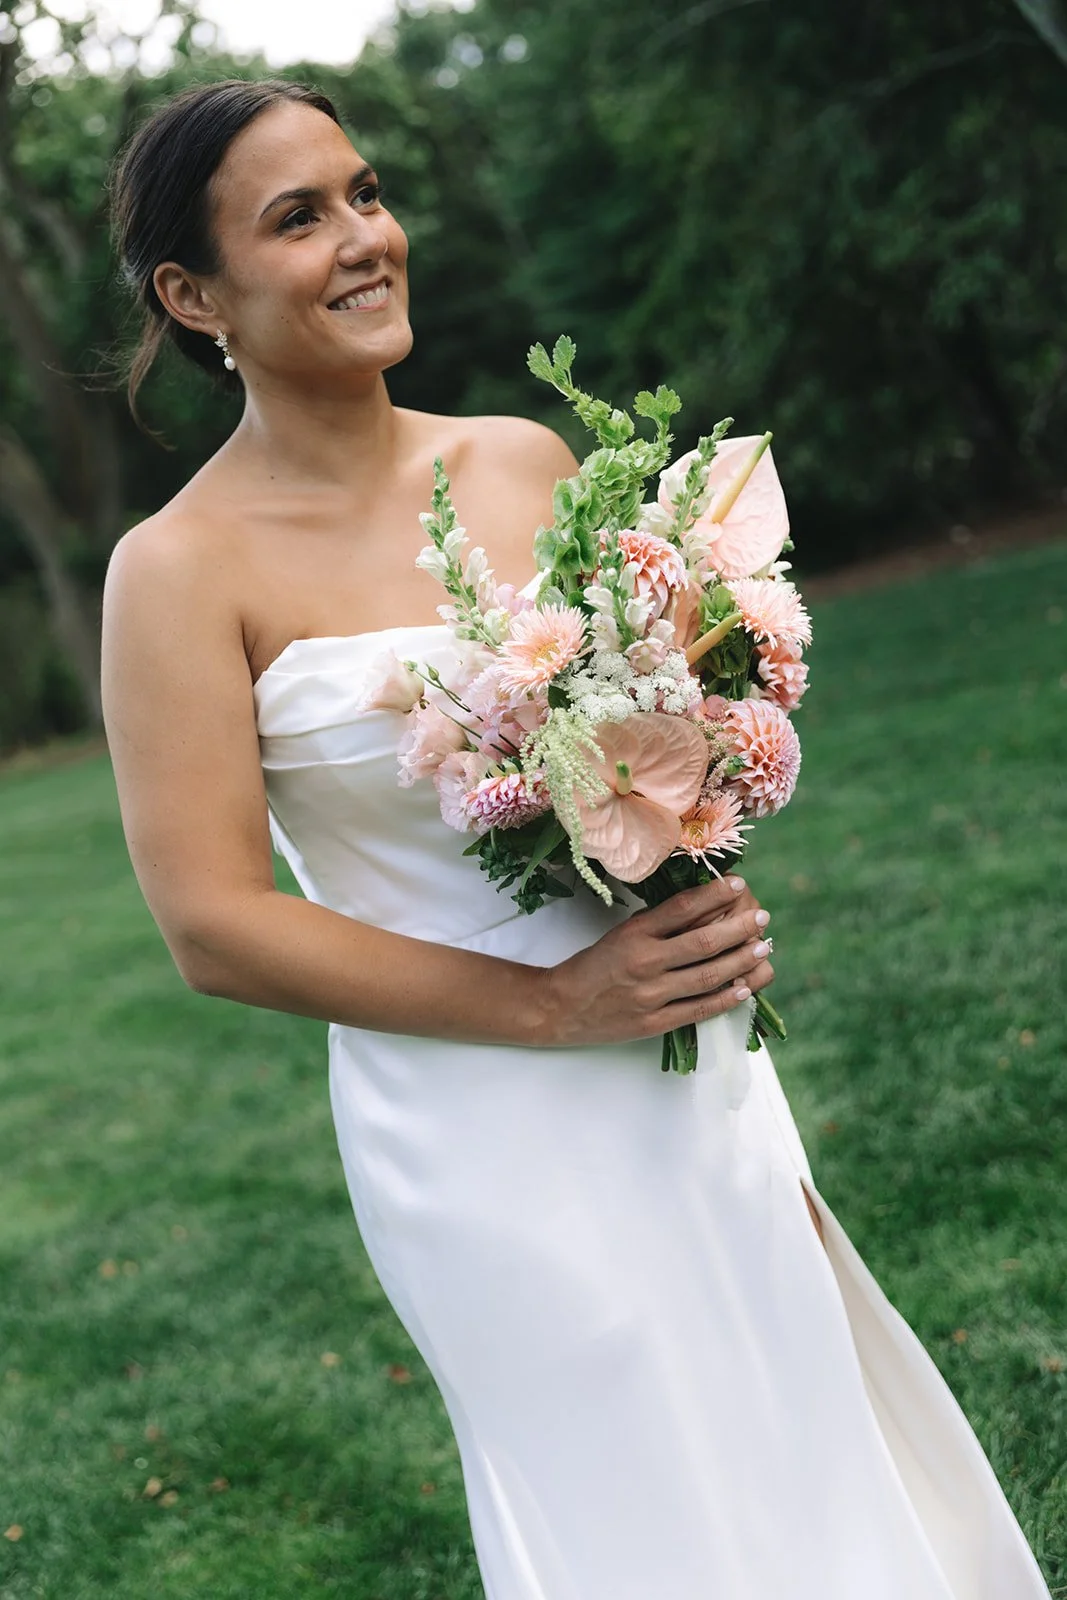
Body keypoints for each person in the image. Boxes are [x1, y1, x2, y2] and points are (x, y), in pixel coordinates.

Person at [100, 79, 1052, 1600]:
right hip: (474, 1124)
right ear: (189, 293)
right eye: (298, 218)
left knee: (790, 1428)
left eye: (363, 192)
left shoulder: (524, 464)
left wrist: (697, 860)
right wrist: (551, 1005)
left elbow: (635, 743)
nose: (362, 239)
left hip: (686, 1063)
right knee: (626, 1491)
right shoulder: (174, 572)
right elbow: (212, 923)